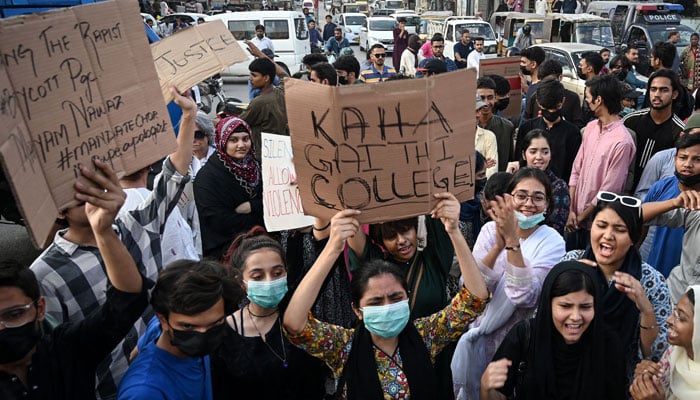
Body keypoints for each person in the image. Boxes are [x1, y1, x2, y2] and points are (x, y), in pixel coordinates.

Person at [29, 88, 196, 398]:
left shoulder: (133, 224)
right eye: (79, 190)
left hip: (159, 374)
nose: (92, 193)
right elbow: (53, 357)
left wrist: (188, 116)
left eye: (97, 181)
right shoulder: (45, 276)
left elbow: (172, 180)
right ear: (58, 208)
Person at [284, 194, 490, 399]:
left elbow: (475, 299)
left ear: (407, 299)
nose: (387, 306)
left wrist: (453, 231)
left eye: (395, 297)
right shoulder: (343, 346)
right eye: (375, 301)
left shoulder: (427, 335)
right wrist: (332, 248)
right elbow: (295, 323)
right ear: (357, 310)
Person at [0, 160, 148, 400]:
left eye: (14, 314)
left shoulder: (64, 350)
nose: (2, 328)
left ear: (39, 309)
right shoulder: (45, 273)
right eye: (82, 201)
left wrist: (103, 232)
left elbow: (127, 303)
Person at [451, 167, 566, 399]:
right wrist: (497, 247)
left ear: (548, 204)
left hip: (515, 344)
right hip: (477, 332)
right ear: (509, 198)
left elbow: (524, 296)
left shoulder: (553, 241)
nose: (528, 204)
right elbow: (473, 288)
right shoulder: (488, 230)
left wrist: (512, 242)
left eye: (538, 197)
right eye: (521, 195)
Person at [562, 192, 672, 380]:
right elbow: (543, 320)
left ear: (633, 238)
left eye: (620, 230)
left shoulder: (651, 282)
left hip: (616, 381)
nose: (608, 235)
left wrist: (645, 309)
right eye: (601, 225)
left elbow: (654, 354)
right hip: (564, 371)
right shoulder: (571, 263)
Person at [479, 261, 627, 399]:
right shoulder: (525, 336)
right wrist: (486, 388)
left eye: (585, 307)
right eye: (565, 306)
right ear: (548, 304)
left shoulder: (608, 345)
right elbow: (497, 393)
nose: (575, 317)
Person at [209, 229, 329, 399]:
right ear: (240, 281)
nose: (269, 281)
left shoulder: (299, 314)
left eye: (277, 273)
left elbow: (322, 263)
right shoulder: (225, 333)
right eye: (258, 276)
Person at [117, 260, 242, 400]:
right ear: (163, 320)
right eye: (188, 326)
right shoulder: (145, 392)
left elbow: (134, 354)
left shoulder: (163, 327)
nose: (203, 334)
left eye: (215, 323)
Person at [566, 75, 636, 251]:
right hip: (573, 219)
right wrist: (571, 211)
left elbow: (609, 191)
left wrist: (582, 217)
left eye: (588, 97)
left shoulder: (622, 141)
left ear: (599, 100)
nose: (586, 101)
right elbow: (576, 170)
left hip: (596, 224)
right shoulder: (590, 128)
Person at [193, 116, 263, 260]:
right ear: (222, 142)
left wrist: (252, 206)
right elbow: (218, 220)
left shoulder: (257, 167)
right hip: (226, 251)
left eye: (245, 139)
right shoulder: (207, 177)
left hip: (261, 242)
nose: (241, 145)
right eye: (234, 140)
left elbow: (273, 202)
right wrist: (259, 218)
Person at [638, 130, 700, 279]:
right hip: (655, 272)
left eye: (697, 159)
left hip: (689, 282)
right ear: (674, 159)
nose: (688, 164)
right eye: (683, 158)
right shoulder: (661, 187)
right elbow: (639, 219)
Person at [642, 155, 700, 303]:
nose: (688, 164)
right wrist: (674, 202)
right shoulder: (695, 211)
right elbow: (638, 214)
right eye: (683, 157)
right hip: (674, 298)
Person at [630, 285, 700, 400]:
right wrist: (645, 380)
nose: (669, 320)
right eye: (675, 312)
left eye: (681, 318)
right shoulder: (674, 352)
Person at [623, 69, 685, 191]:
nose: (657, 94)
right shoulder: (631, 120)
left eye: (664, 90)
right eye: (653, 89)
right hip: (623, 189)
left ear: (674, 94)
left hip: (655, 195)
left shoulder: (679, 131)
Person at [516, 78, 582, 183]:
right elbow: (519, 161)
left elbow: (574, 170)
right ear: (538, 103)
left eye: (556, 107)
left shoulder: (572, 133)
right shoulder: (527, 128)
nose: (551, 112)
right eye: (546, 108)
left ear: (563, 102)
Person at [511, 129, 571, 235]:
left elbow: (556, 228)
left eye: (545, 152)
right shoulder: (513, 180)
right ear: (524, 154)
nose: (539, 157)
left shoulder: (559, 187)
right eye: (533, 152)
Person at [239, 43, 288, 159]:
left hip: (263, 155)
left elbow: (239, 123)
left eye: (254, 76)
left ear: (266, 78)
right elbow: (283, 73)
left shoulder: (259, 102)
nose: (250, 79)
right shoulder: (282, 91)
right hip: (282, 150)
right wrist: (260, 55)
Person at [476, 77, 516, 173]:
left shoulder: (507, 127)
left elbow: (511, 161)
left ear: (495, 98)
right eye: (481, 98)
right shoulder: (466, 128)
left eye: (490, 97)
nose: (486, 103)